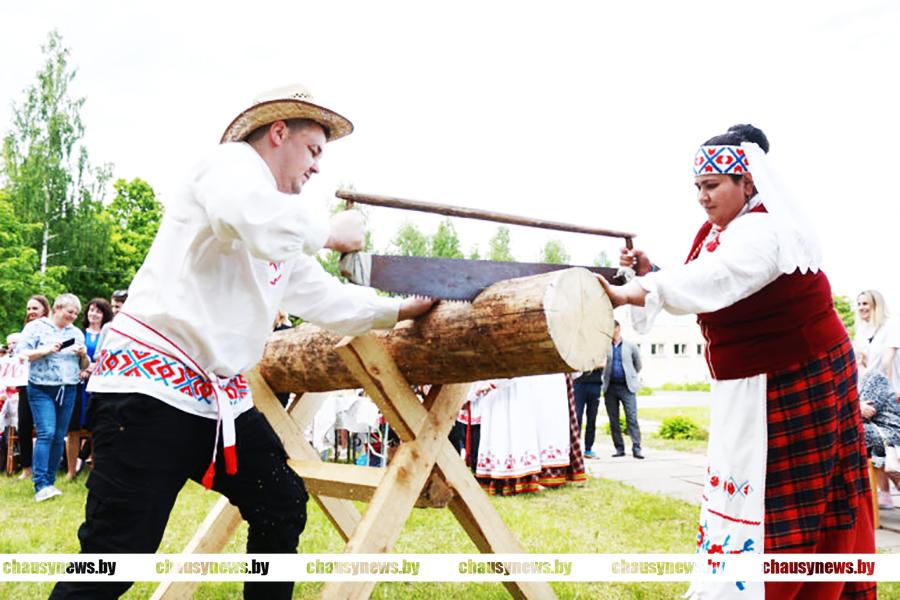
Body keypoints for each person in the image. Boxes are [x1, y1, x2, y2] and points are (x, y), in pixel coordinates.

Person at [50, 84, 434, 600]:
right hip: (147, 396)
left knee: (279, 501)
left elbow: (320, 295)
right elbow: (248, 216)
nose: (317, 167)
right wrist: (329, 230)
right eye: (314, 150)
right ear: (279, 133)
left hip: (216, 403)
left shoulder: (275, 227)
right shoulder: (231, 167)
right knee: (117, 556)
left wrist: (395, 309)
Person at [597, 124, 874, 599]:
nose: (702, 199)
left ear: (748, 183)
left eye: (712, 186)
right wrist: (652, 274)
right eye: (698, 188)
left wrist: (636, 291)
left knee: (787, 497)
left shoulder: (767, 229)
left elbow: (720, 277)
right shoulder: (718, 232)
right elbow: (707, 283)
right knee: (747, 490)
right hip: (752, 384)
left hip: (799, 378)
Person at [18, 293, 89, 502]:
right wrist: (45, 350)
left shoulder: (76, 333)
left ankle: (49, 482)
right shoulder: (36, 328)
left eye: (76, 313)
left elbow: (84, 366)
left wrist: (82, 355)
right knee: (46, 433)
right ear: (57, 308)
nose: (73, 316)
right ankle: (40, 484)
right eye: (70, 312)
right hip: (41, 387)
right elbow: (22, 354)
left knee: (59, 435)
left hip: (68, 388)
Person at [64, 298, 113, 480]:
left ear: (104, 315)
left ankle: (93, 466)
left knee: (96, 427)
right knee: (73, 428)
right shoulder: (78, 334)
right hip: (76, 384)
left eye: (98, 311)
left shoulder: (108, 334)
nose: (94, 314)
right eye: (91, 310)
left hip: (98, 385)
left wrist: (90, 370)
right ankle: (70, 470)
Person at [16, 294, 51, 481]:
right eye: (28, 308)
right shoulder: (25, 331)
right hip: (25, 382)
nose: (31, 312)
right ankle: (26, 467)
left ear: (45, 309)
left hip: (45, 384)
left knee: (46, 428)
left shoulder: (51, 330)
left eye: (35, 308)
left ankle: (46, 467)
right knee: (24, 425)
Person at [858, 369, 900, 510]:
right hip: (880, 438)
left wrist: (855, 407)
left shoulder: (873, 377)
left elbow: (867, 412)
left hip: (889, 434)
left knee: (851, 434)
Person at [601, 321, 643, 459]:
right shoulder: (605, 346)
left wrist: (630, 376)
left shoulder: (630, 345)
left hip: (627, 387)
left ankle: (637, 448)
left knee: (631, 418)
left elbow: (638, 365)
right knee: (614, 420)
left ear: (618, 328)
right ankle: (619, 448)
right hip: (610, 387)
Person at [854, 290, 900, 395]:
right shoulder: (860, 332)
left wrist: (889, 390)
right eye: (859, 304)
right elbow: (861, 364)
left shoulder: (892, 324)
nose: (861, 308)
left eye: (865, 304)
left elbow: (887, 359)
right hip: (873, 390)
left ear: (876, 305)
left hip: (893, 390)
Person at [573, 360, 605, 459]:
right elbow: (574, 364)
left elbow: (603, 363)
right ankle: (575, 449)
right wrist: (593, 365)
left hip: (595, 385)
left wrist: (585, 365)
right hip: (579, 385)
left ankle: (588, 449)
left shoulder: (599, 349)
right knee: (577, 417)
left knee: (592, 418)